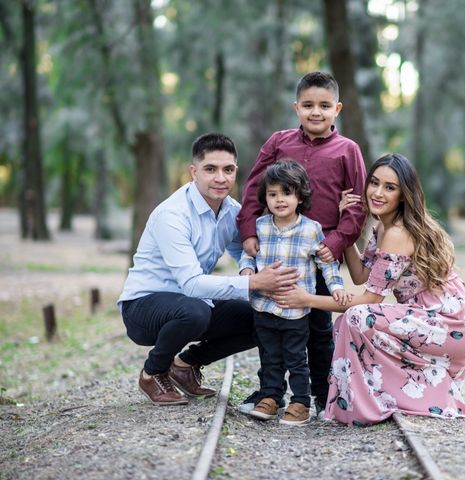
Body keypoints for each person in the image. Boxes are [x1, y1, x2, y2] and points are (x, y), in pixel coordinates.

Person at [274, 153, 465, 425]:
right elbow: (359, 275)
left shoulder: (397, 232)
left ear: (404, 194)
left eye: (389, 187)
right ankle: (371, 397)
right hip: (426, 317)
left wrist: (306, 299)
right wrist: (346, 223)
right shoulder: (382, 226)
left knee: (358, 317)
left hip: (449, 323)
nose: (378, 192)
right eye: (374, 183)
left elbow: (369, 299)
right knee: (353, 319)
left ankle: (366, 402)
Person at [117, 133, 299, 406]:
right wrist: (253, 284)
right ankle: (152, 372)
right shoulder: (173, 215)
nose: (220, 178)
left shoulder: (232, 212)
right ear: (194, 172)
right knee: (194, 311)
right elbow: (191, 284)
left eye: (228, 170)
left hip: (191, 303)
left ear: (236, 171)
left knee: (261, 316)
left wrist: (249, 272)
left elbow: (243, 251)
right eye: (210, 169)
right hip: (144, 307)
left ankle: (186, 364)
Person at [236, 71, 367, 417]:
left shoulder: (348, 150)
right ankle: (272, 391)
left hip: (320, 250)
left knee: (319, 328)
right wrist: (249, 230)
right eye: (308, 105)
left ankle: (321, 397)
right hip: (278, 250)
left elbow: (357, 205)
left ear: (337, 108)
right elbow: (253, 188)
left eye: (324, 106)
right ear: (296, 107)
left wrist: (337, 242)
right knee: (271, 321)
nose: (316, 112)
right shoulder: (279, 142)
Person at [239, 160, 349, 425]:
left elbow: (327, 263)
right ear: (265, 197)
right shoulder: (262, 226)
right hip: (264, 306)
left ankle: (300, 402)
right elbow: (248, 256)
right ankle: (270, 397)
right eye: (273, 194)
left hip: (295, 312)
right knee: (269, 356)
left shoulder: (311, 229)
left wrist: (337, 289)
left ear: (300, 196)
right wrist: (246, 272)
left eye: (287, 193)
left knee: (297, 358)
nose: (279, 200)